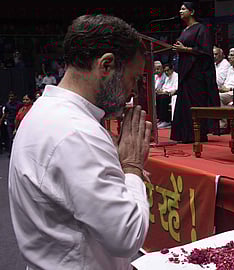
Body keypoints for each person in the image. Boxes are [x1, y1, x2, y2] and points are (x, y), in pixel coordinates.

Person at [8, 14, 151, 270]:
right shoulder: (78, 133)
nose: (134, 92)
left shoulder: (47, 111)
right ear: (106, 66)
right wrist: (131, 168)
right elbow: (126, 236)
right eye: (134, 79)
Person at [171, 1, 220, 144]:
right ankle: (185, 135)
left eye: (183, 9)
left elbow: (205, 51)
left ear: (192, 12)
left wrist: (185, 50)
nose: (180, 11)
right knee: (184, 103)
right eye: (180, 9)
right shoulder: (185, 30)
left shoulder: (201, 29)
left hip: (197, 72)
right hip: (185, 70)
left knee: (195, 102)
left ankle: (198, 134)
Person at [156, 63, 178, 129]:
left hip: (173, 94)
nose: (166, 72)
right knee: (158, 96)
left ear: (172, 69)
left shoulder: (176, 76)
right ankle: (161, 119)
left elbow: (175, 88)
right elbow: (165, 86)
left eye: (168, 70)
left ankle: (166, 121)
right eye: (165, 71)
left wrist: (165, 91)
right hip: (166, 93)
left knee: (163, 97)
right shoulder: (167, 78)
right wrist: (161, 90)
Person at [154, 60, 167, 127]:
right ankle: (158, 118)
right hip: (157, 93)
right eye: (155, 69)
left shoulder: (165, 76)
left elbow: (166, 86)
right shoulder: (155, 76)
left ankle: (163, 120)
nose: (157, 71)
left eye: (158, 69)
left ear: (162, 68)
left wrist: (159, 90)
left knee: (160, 97)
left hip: (164, 93)